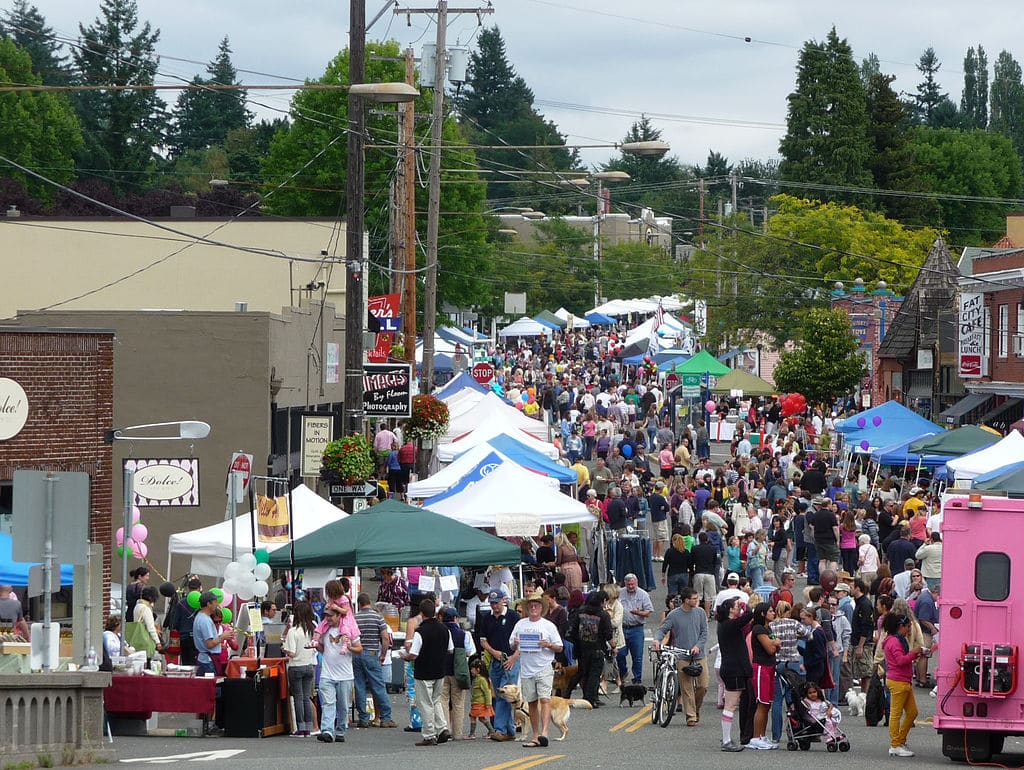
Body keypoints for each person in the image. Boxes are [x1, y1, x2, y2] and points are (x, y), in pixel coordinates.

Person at [508, 590, 564, 747]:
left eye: (536, 605)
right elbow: (511, 643)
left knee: (545, 699)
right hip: (527, 669)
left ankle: (544, 733)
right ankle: (535, 735)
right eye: (531, 605)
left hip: (544, 666)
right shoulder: (520, 624)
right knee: (532, 702)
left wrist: (548, 645)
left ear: (541, 608)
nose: (533, 608)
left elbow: (559, 647)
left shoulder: (548, 626)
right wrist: (516, 643)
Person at [653, 587, 708, 727]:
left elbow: (704, 633)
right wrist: (657, 640)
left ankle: (696, 709)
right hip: (682, 655)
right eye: (694, 599)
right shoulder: (674, 615)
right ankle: (690, 716)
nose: (697, 601)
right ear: (686, 600)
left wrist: (698, 646)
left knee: (703, 686)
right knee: (686, 687)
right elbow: (662, 629)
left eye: (697, 598)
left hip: (698, 655)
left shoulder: (701, 613)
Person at [404, 599, 454, 747]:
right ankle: (442, 727)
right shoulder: (445, 629)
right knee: (436, 700)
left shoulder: (420, 632)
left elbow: (413, 654)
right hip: (440, 671)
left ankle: (429, 734)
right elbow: (450, 650)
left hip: (424, 671)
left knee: (425, 703)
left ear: (421, 613)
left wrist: (404, 657)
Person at [316, 602, 364, 743]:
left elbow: (359, 649)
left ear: (339, 615)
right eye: (326, 616)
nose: (328, 619)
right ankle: (327, 731)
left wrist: (349, 647)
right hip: (327, 673)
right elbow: (323, 648)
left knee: (343, 705)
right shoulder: (324, 630)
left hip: (345, 675)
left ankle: (341, 730)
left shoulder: (348, 630)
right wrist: (315, 645)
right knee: (328, 703)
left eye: (331, 616)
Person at [479, 589, 520, 742]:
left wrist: (514, 657)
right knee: (497, 694)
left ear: (504, 601)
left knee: (504, 693)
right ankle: (510, 730)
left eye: (496, 603)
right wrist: (493, 651)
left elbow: (521, 639)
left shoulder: (513, 616)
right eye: (492, 603)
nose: (494, 606)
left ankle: (500, 729)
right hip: (496, 660)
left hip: (511, 659)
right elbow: (483, 640)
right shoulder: (486, 618)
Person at [883, 612, 924, 757]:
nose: (909, 629)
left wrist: (913, 654)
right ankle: (895, 744)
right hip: (898, 680)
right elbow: (900, 661)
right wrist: (914, 653)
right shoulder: (894, 642)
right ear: (900, 626)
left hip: (902, 680)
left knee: (912, 712)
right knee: (896, 714)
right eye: (907, 626)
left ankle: (899, 740)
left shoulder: (894, 640)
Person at [353, 593, 397, 729]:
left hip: (357, 654)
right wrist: (383, 654)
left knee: (360, 686)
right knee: (378, 686)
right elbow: (385, 638)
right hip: (372, 654)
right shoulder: (378, 617)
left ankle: (363, 718)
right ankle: (385, 718)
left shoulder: (355, 618)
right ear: (369, 603)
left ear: (359, 604)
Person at [716, 597, 754, 752]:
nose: (739, 608)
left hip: (731, 668)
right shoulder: (730, 624)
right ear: (730, 609)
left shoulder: (724, 625)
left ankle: (727, 738)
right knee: (731, 705)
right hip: (735, 669)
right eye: (737, 606)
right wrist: (746, 606)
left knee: (730, 705)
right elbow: (748, 615)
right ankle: (726, 740)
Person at [568, 589, 613, 707]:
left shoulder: (580, 612)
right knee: (594, 674)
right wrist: (613, 646)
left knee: (582, 672)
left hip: (581, 648)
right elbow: (608, 634)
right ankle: (590, 698)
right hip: (597, 648)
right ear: (601, 602)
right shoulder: (603, 615)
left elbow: (572, 630)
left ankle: (566, 694)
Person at [748, 603, 781, 749]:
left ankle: (762, 735)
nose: (773, 613)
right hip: (761, 667)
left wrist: (775, 643)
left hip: (770, 667)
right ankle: (755, 737)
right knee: (762, 703)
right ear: (762, 614)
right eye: (770, 611)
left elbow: (776, 647)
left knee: (767, 704)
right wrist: (775, 643)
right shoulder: (759, 628)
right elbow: (770, 648)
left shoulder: (769, 628)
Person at [283, 601, 317, 737]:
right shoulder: (312, 629)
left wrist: (284, 649)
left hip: (296, 666)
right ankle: (308, 728)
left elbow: (292, 653)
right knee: (306, 697)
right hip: (309, 665)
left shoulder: (293, 631)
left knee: (298, 697)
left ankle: (300, 727)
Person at [441, 606, 475, 740]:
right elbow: (469, 652)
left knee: (442, 700)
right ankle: (458, 733)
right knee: (458, 703)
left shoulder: (440, 631)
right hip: (458, 671)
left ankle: (445, 729)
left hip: (442, 671)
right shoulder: (464, 634)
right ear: (455, 619)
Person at [616, 574, 653, 685]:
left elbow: (648, 612)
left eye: (632, 584)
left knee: (637, 656)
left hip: (636, 629)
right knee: (620, 654)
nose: (631, 586)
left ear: (636, 583)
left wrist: (638, 613)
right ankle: (623, 673)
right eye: (628, 584)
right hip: (622, 629)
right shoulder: (620, 593)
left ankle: (637, 678)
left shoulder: (643, 594)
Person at [192, 591, 232, 678]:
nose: (217, 604)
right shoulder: (205, 620)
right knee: (213, 688)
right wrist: (222, 637)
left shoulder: (200, 616)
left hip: (204, 659)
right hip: (208, 661)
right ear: (208, 604)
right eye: (215, 602)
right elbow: (209, 644)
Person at [133, 585, 164, 657]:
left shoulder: (138, 606)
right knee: (147, 659)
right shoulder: (146, 609)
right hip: (145, 640)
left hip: (137, 638)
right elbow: (151, 628)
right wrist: (158, 642)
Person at [467, 659, 495, 739]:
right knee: (481, 718)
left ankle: (472, 734)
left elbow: (487, 692)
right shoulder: (477, 679)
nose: (471, 671)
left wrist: (488, 703)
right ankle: (491, 731)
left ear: (478, 670)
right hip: (476, 702)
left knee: (475, 717)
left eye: (472, 669)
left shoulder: (481, 680)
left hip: (479, 703)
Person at [662, 534, 693, 600]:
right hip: (684, 574)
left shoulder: (669, 551)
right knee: (684, 595)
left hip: (672, 574)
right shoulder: (686, 552)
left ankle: (673, 608)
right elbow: (690, 565)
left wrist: (663, 575)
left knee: (672, 596)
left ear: (673, 542)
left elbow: (665, 564)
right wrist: (691, 573)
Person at [211, 608, 237, 676]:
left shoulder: (224, 628)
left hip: (224, 660)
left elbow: (235, 647)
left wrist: (232, 639)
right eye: (216, 622)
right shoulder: (208, 629)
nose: (218, 623)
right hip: (212, 661)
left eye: (220, 621)